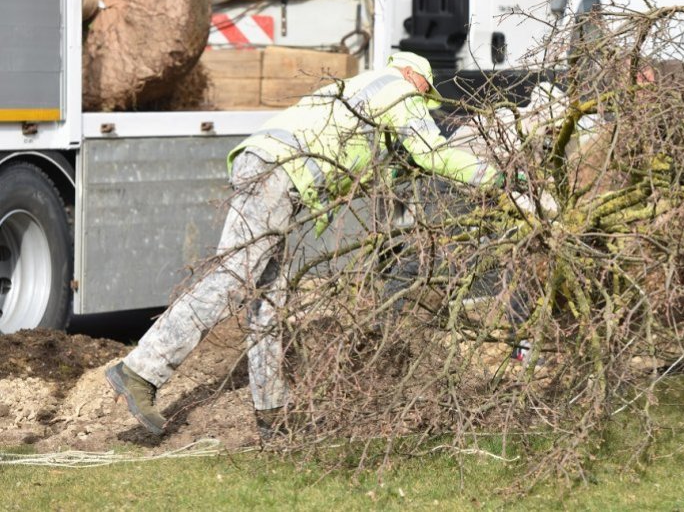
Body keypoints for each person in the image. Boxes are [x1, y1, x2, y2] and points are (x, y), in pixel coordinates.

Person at [106, 52, 526, 438]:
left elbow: (373, 165)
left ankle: (272, 411)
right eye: (427, 95)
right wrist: (498, 178)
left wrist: (404, 172)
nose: (425, 104)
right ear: (416, 76)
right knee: (233, 278)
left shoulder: (361, 92)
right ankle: (141, 371)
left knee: (268, 298)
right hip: (276, 173)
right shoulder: (399, 91)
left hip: (273, 169)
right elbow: (434, 153)